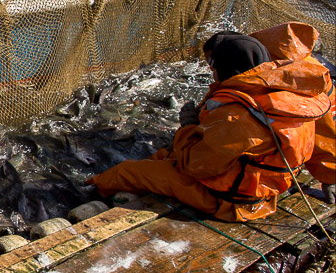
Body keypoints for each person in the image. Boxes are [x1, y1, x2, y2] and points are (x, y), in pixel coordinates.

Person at [88, 23, 335, 221]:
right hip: (251, 180)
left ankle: (90, 192)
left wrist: (187, 126)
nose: (211, 74)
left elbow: (195, 166)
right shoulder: (288, 96)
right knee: (163, 156)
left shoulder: (238, 115)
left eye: (213, 68)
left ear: (227, 69)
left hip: (229, 200)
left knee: (128, 171)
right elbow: (322, 141)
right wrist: (331, 177)